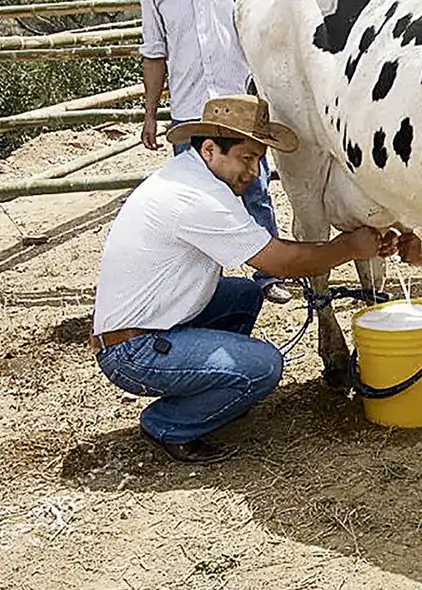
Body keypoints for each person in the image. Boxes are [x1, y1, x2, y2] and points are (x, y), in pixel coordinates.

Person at [91, 95, 398, 464]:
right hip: (132, 352)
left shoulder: (192, 177)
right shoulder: (196, 198)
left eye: (258, 159)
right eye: (246, 158)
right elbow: (280, 262)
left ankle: (216, 385)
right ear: (209, 149)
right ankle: (169, 423)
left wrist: (346, 244)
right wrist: (349, 245)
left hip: (148, 326)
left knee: (244, 295)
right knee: (265, 367)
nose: (254, 172)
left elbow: (270, 248)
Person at [138, 0, 293, 304]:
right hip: (190, 110)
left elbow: (260, 35)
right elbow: (154, 53)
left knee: (255, 190)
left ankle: (269, 274)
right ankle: (205, 283)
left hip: (239, 106)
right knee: (194, 201)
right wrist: (151, 114)